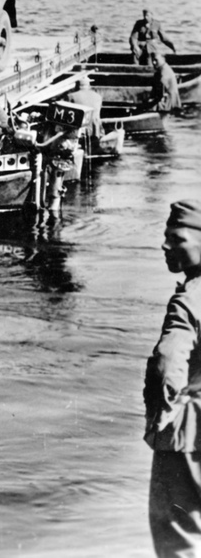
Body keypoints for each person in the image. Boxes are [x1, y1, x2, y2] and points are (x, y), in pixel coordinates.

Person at [144, 199, 201, 556]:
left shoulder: (190, 298)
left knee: (178, 536)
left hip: (189, 433)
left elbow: (168, 362)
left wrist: (162, 413)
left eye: (175, 237)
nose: (165, 245)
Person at [66, 75, 104, 141]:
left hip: (77, 128)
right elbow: (98, 114)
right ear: (89, 85)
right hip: (94, 128)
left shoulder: (71, 96)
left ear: (78, 85)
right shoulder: (98, 96)